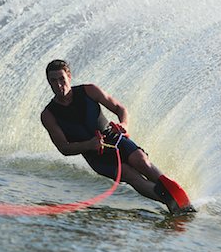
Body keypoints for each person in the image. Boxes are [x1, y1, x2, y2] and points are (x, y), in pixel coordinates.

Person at [40, 59, 195, 214]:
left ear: (69, 77)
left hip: (114, 138)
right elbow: (64, 148)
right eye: (54, 81)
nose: (59, 85)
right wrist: (89, 145)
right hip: (96, 155)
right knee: (129, 174)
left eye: (62, 79)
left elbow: (120, 108)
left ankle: (173, 191)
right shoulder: (48, 115)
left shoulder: (89, 91)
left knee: (140, 160)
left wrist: (124, 125)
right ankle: (171, 202)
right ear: (49, 83)